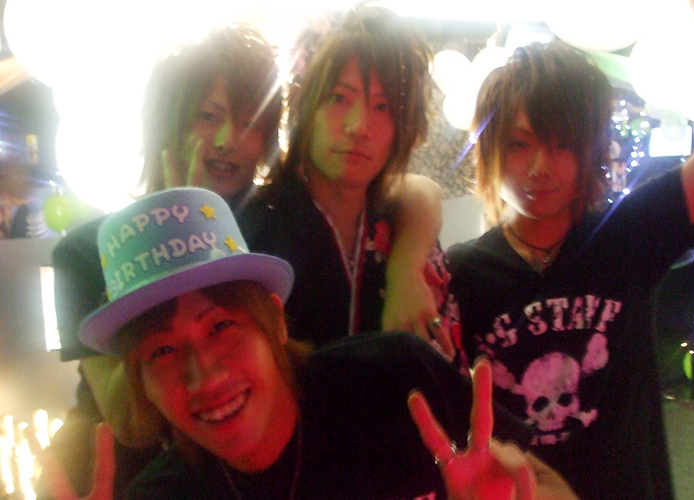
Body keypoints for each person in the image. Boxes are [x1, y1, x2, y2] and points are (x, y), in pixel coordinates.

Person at [43, 17, 449, 497]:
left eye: (251, 123)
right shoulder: (85, 251)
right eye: (208, 116)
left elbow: (415, 189)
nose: (228, 140)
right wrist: (173, 228)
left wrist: (406, 265)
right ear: (166, 120)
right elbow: (134, 424)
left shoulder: (254, 232)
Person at [35, 186, 579, 500]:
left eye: (221, 326)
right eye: (162, 352)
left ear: (274, 323)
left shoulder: (395, 380)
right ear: (142, 384)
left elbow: (549, 486)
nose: (205, 376)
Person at [446, 38, 694, 499]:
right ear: (490, 147)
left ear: (590, 150)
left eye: (561, 145)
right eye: (520, 144)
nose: (540, 167)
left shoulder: (628, 233)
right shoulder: (462, 273)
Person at [238, 4, 463, 365]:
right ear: (303, 102)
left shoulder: (403, 225)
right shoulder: (254, 232)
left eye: (383, 107)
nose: (359, 126)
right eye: (339, 98)